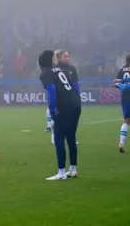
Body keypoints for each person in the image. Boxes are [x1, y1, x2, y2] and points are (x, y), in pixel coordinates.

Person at [39, 50, 81, 181]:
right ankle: (73, 170)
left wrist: (52, 110)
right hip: (75, 105)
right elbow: (74, 85)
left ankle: (61, 172)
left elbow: (51, 89)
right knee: (71, 138)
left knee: (59, 139)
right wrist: (77, 100)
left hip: (64, 107)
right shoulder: (59, 70)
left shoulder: (45, 73)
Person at [46, 50, 79, 145]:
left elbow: (75, 83)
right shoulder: (54, 69)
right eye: (65, 56)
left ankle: (70, 139)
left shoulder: (72, 68)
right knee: (59, 119)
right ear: (59, 58)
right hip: (60, 98)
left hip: (71, 98)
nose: (67, 58)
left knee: (70, 120)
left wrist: (77, 95)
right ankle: (54, 137)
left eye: (68, 56)